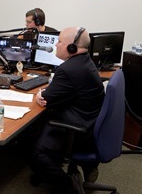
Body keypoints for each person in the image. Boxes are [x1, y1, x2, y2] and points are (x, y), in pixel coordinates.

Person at [30, 27, 105, 194]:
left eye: (60, 41)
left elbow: (45, 100)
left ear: (72, 47)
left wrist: (40, 93)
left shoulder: (68, 69)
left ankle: (68, 184)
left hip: (78, 130)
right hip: (90, 123)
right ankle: (87, 166)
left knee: (36, 150)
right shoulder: (85, 61)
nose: (56, 44)